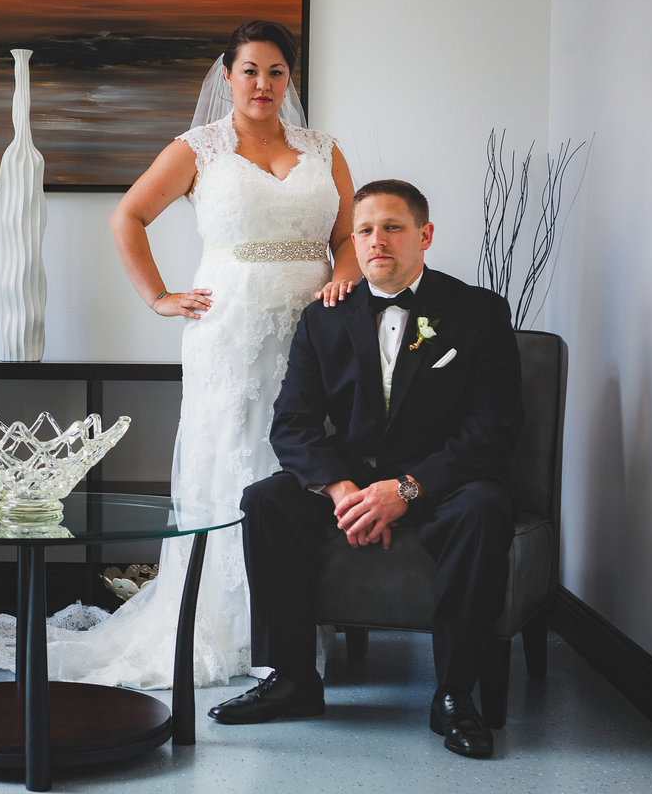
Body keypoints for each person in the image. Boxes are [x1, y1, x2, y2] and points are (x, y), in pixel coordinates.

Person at [0, 20, 361, 689]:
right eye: (250, 71)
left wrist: (344, 277)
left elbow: (348, 231)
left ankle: (299, 626)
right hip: (231, 334)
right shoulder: (199, 148)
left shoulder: (324, 149)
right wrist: (158, 296)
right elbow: (128, 215)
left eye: (275, 71)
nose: (263, 84)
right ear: (227, 76)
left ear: (289, 79)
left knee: (299, 465)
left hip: (315, 333)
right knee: (234, 466)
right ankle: (223, 625)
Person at [208, 179, 524, 759]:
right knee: (266, 500)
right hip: (352, 481)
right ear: (353, 241)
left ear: (424, 235)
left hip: (443, 482)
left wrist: (405, 489)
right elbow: (293, 425)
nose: (378, 240)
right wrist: (346, 491)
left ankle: (453, 693)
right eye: (365, 230)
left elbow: (493, 430)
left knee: (485, 508)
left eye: (393, 227)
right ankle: (294, 679)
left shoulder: (478, 311)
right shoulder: (324, 318)